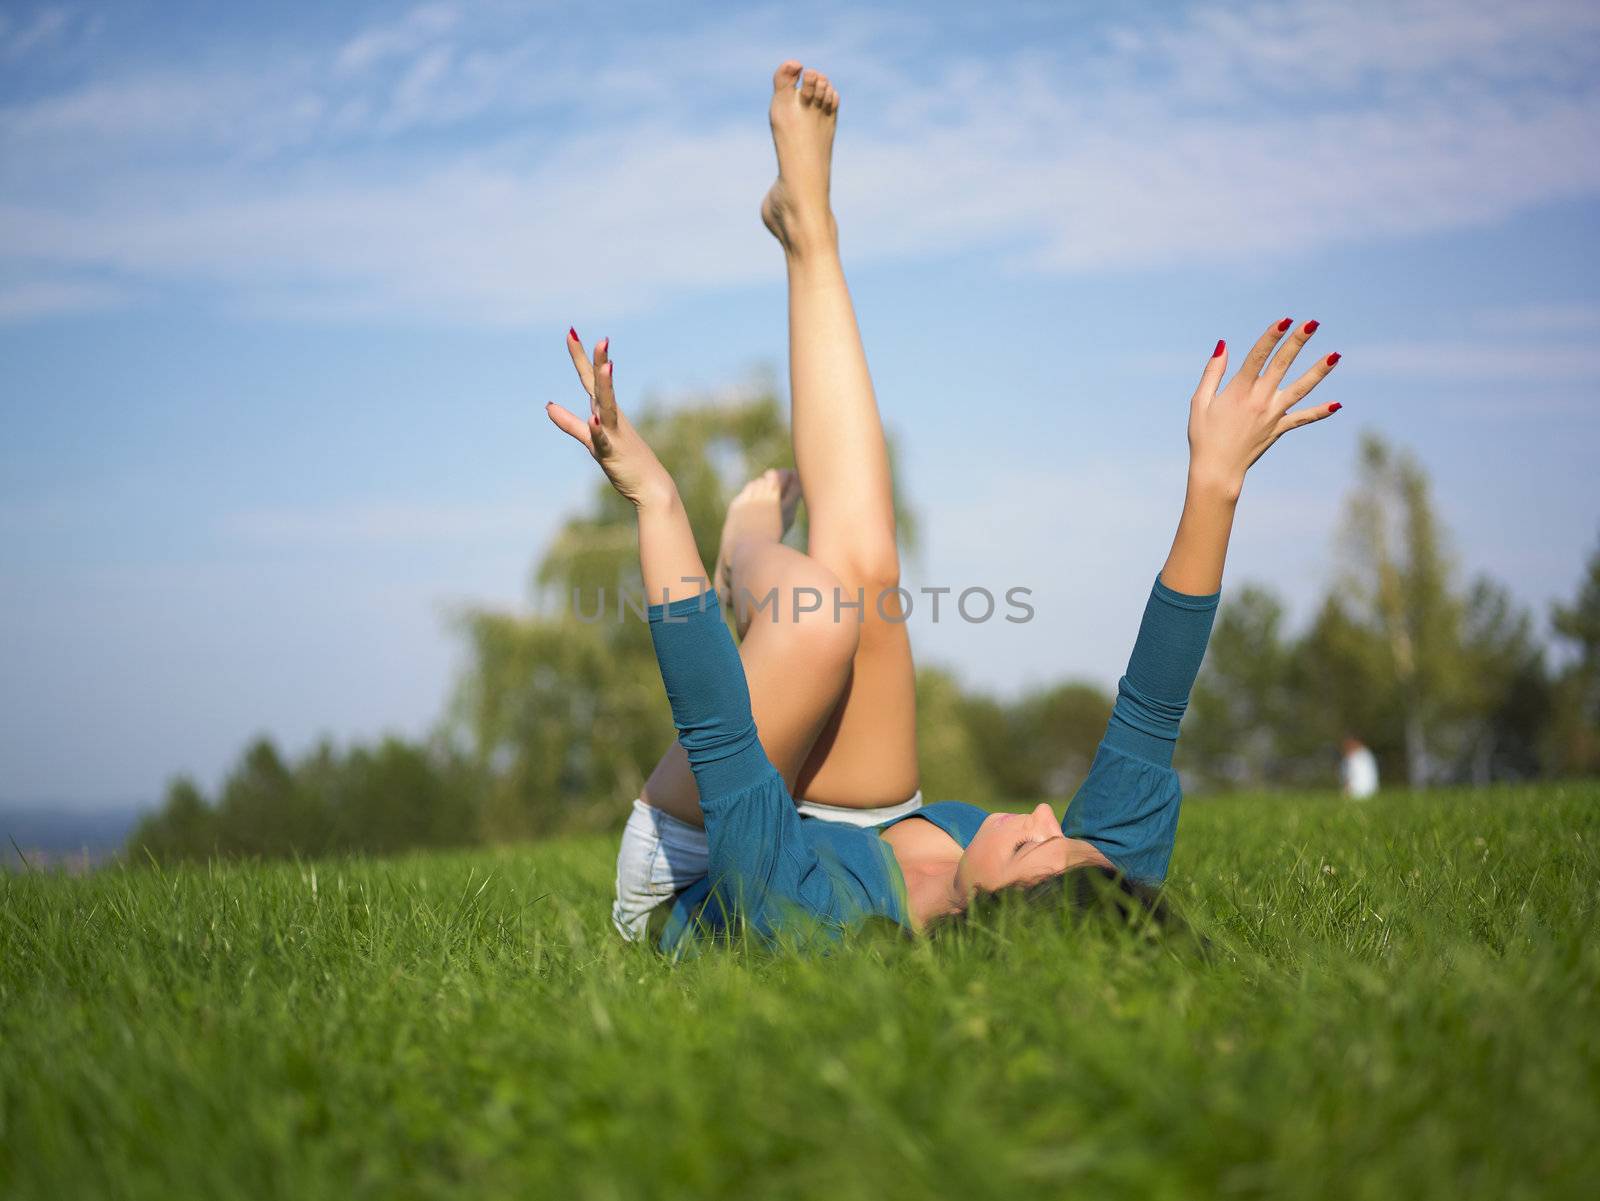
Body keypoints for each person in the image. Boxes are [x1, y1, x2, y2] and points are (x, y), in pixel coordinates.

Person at [544, 62, 1343, 953]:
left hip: (704, 863)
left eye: (1037, 841)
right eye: (1066, 832)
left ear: (990, 919)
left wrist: (656, 499)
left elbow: (721, 729)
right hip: (855, 821)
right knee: (867, 578)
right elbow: (1153, 708)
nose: (1047, 811)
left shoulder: (820, 927)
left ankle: (744, 549)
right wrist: (1216, 482)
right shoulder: (1100, 884)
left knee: (814, 618)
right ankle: (809, 231)